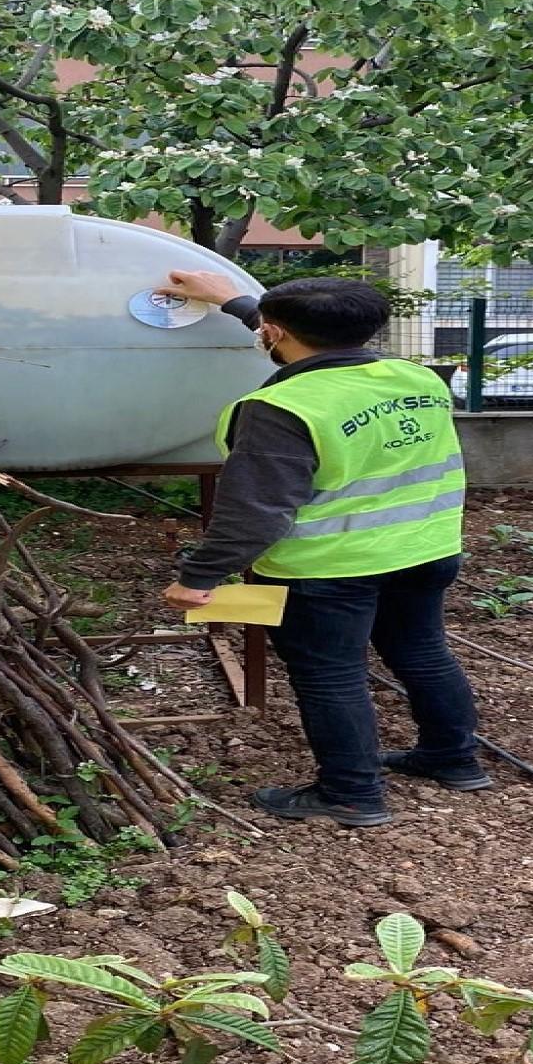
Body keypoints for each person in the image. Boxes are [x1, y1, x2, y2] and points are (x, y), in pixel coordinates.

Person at [158, 269, 487, 828]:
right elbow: (321, 355)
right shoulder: (419, 378)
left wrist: (199, 577)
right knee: (423, 653)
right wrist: (236, 302)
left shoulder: (280, 408)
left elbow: (253, 512)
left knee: (330, 676)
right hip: (425, 550)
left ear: (275, 332)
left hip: (326, 570)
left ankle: (352, 794)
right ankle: (453, 759)